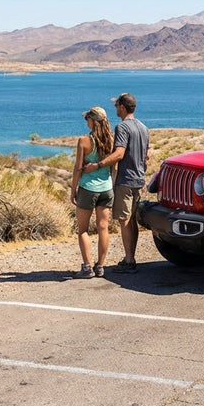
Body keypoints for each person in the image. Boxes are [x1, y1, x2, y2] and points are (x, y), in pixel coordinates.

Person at [83, 92, 149, 274]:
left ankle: (129, 261)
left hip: (126, 180)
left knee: (124, 220)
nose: (115, 109)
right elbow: (146, 156)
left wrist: (98, 165)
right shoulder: (143, 128)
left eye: (116, 105)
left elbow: (119, 154)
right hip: (139, 179)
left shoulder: (123, 128)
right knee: (131, 220)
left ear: (122, 107)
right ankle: (130, 258)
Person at [70, 106, 115, 279]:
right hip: (106, 188)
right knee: (103, 227)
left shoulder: (84, 141)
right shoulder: (111, 140)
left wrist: (73, 190)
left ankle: (87, 267)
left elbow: (77, 168)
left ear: (93, 121)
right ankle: (101, 266)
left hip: (88, 189)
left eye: (87, 119)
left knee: (83, 229)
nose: (86, 122)